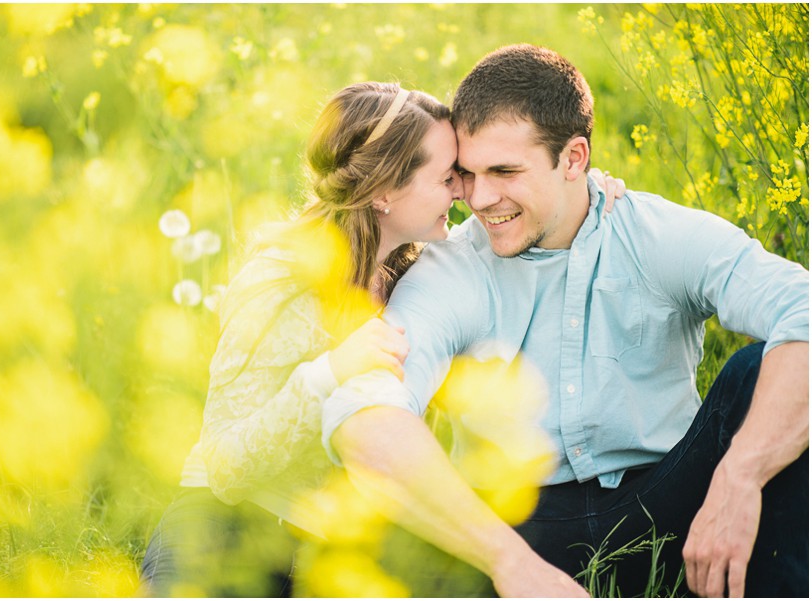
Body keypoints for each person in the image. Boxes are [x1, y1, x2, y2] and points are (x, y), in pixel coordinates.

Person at [323, 44, 809, 598]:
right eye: (468, 173)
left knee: (757, 373)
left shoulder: (656, 234)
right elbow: (364, 411)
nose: (480, 199)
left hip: (669, 506)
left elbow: (803, 310)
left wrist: (740, 474)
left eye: (505, 171)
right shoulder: (451, 271)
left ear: (574, 159)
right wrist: (510, 563)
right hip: (515, 526)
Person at [137, 79, 629, 596]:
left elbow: (525, 213)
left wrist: (584, 190)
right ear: (384, 194)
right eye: (447, 177)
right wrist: (328, 374)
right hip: (229, 526)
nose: (464, 192)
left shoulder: (417, 266)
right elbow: (226, 467)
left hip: (343, 544)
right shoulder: (280, 283)